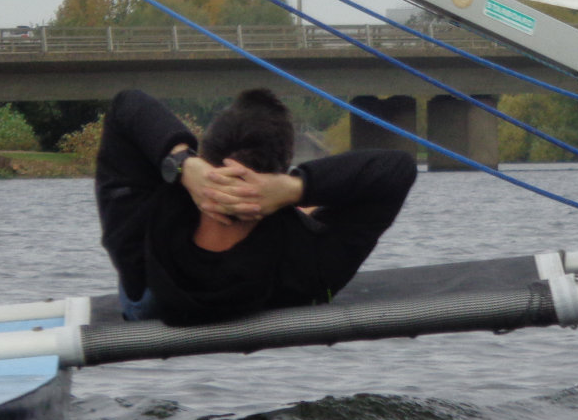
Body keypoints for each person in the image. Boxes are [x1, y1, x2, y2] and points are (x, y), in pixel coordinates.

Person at [96, 88, 416, 326]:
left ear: (206, 156)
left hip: (157, 295)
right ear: (281, 169)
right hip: (273, 283)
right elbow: (398, 168)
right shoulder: (312, 264)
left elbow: (127, 104)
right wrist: (295, 189)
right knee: (309, 223)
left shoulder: (140, 238)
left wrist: (183, 164)